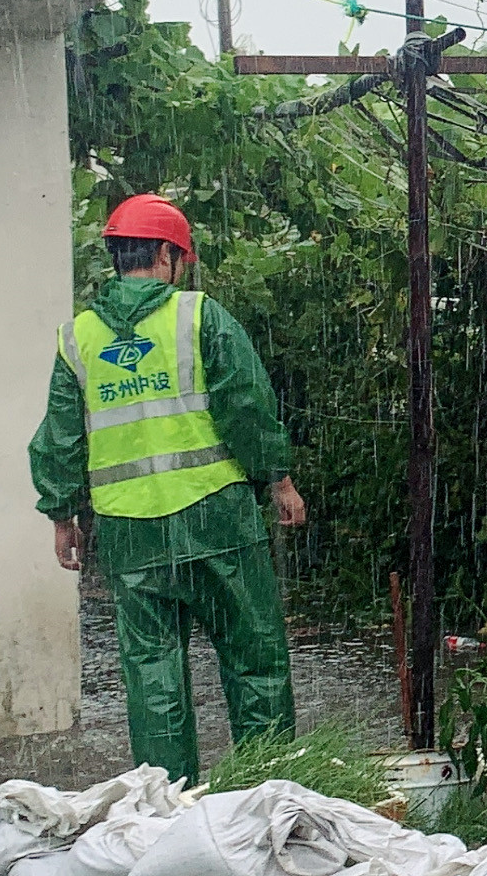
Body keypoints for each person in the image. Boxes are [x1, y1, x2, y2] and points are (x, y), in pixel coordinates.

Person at [30, 193, 306, 784]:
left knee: (152, 672)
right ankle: (271, 796)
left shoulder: (76, 339)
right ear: (165, 254)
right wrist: (278, 478)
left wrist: (62, 516)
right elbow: (248, 409)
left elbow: (59, 437)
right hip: (217, 519)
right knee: (253, 658)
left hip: (130, 531)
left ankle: (164, 806)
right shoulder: (199, 317)